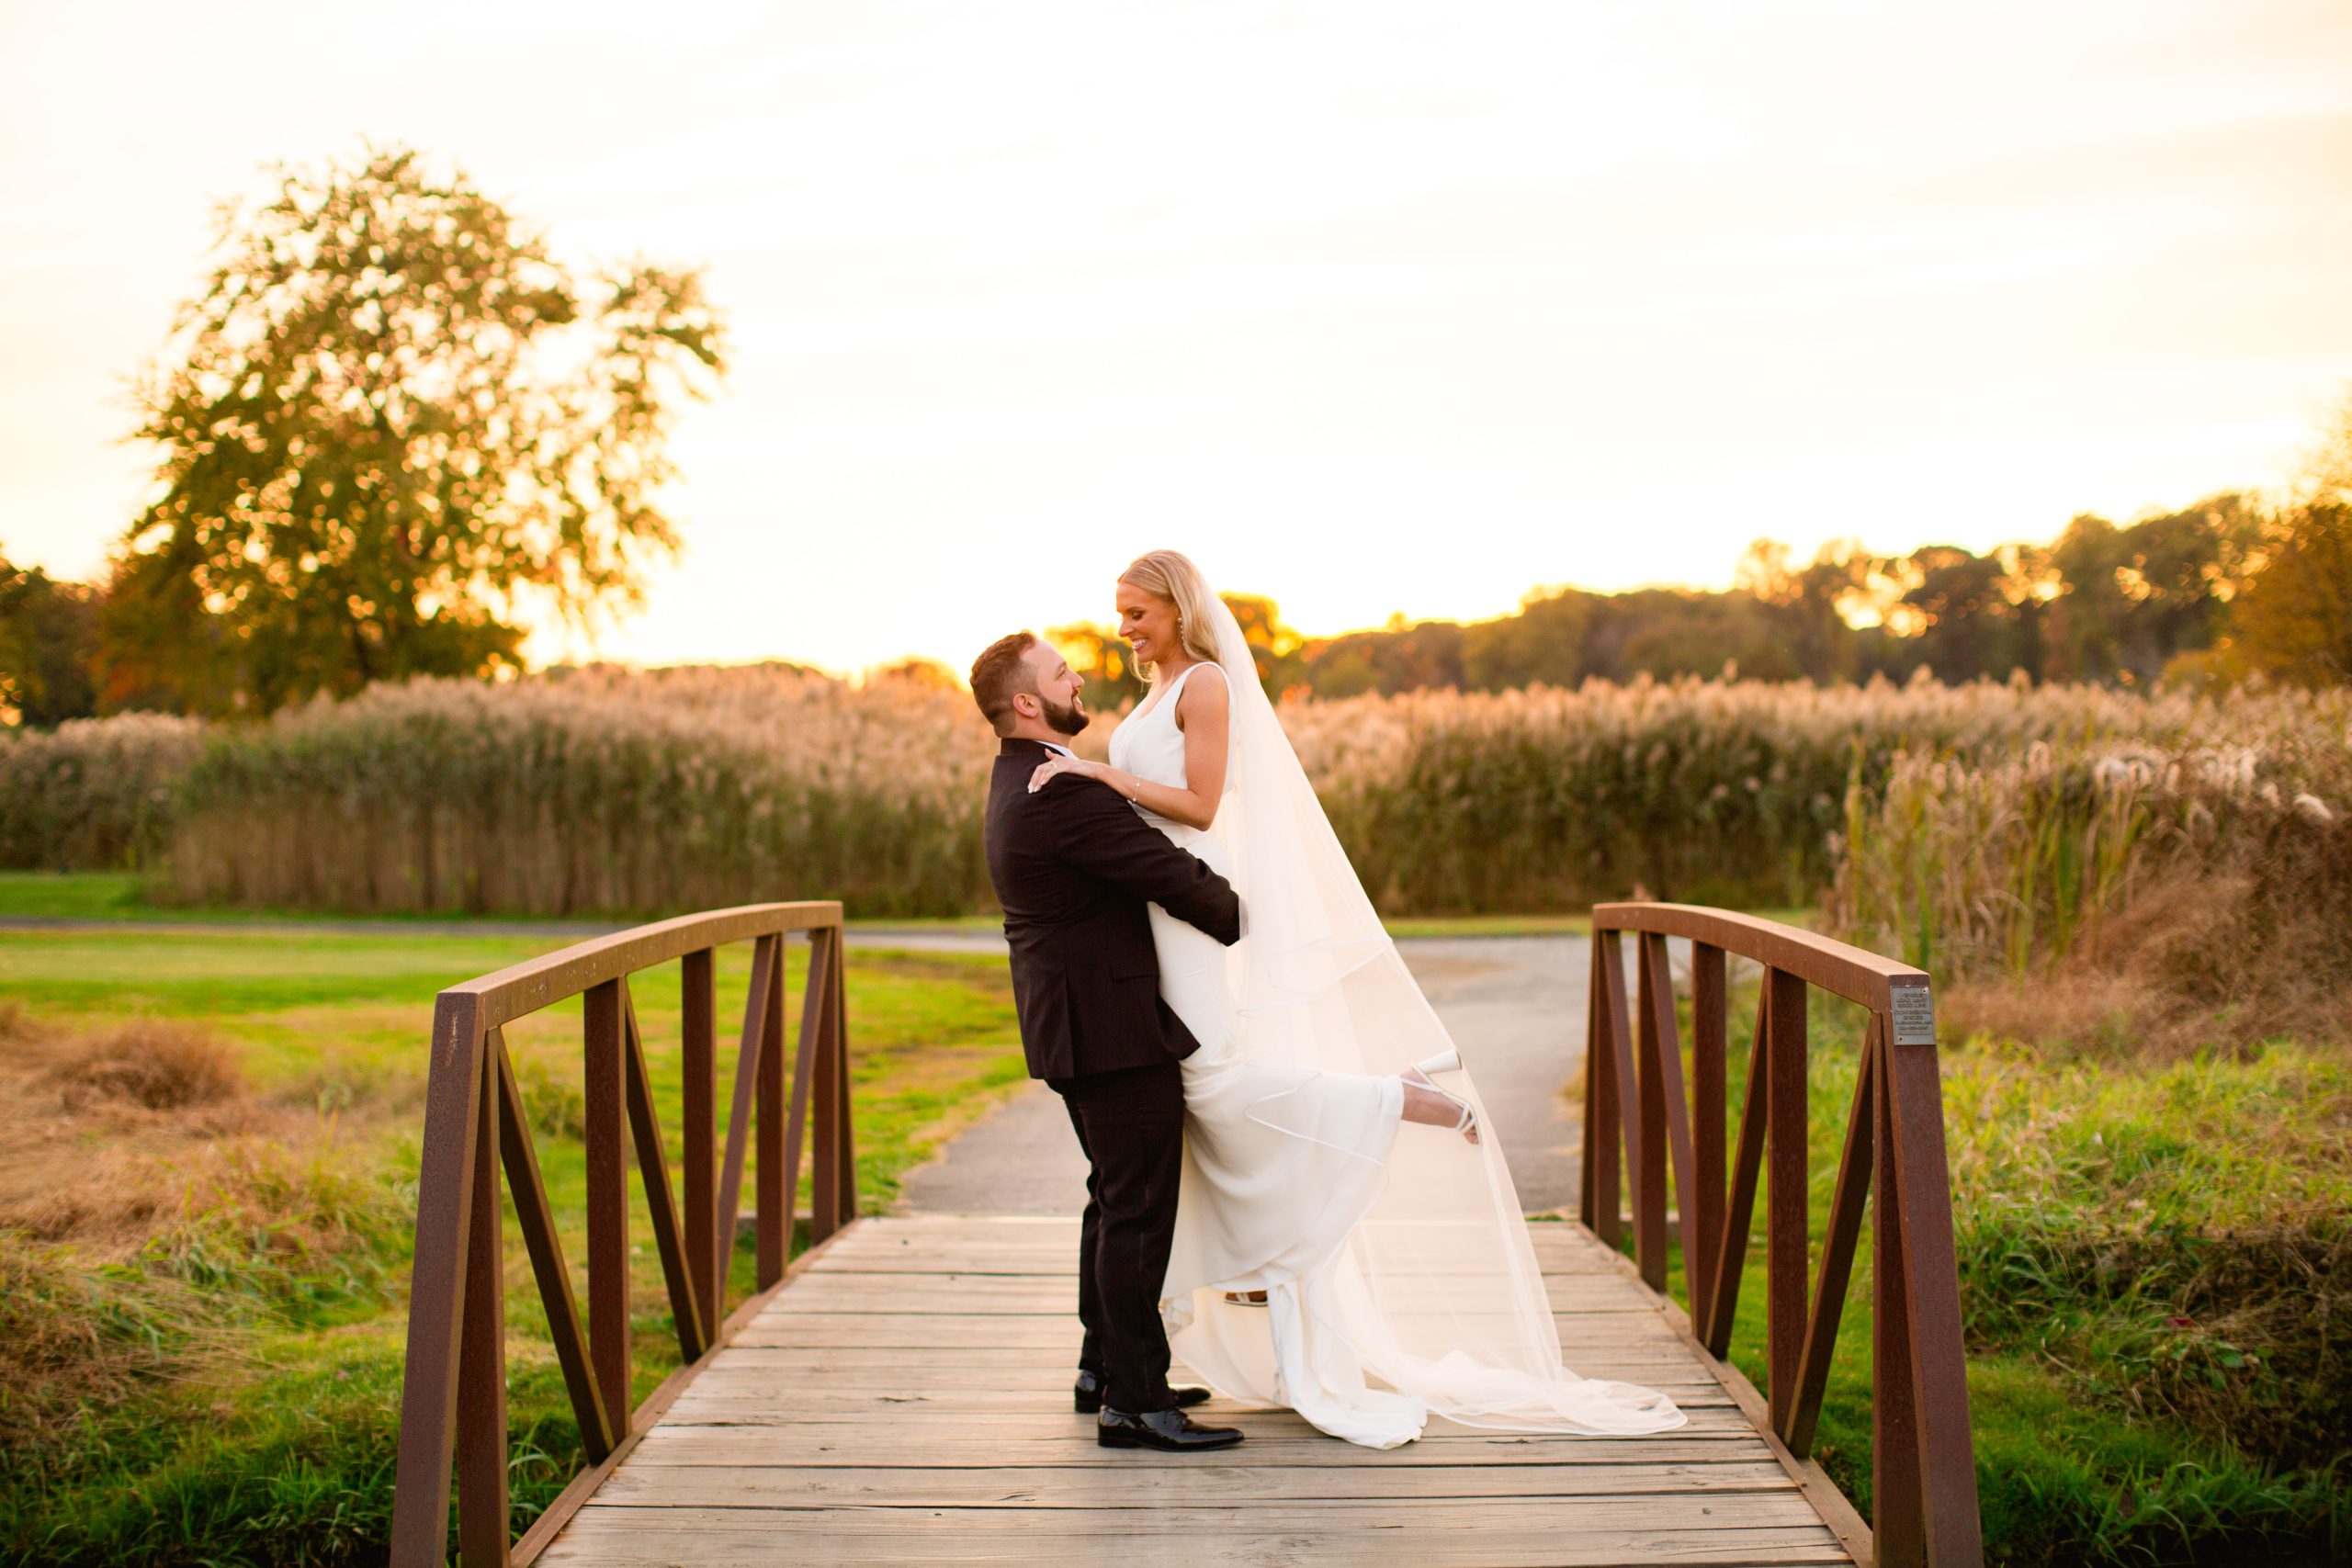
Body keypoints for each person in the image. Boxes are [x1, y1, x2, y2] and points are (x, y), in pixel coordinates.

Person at [1023, 550, 1686, 1449]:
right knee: (1199, 1098)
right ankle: (1221, 1289)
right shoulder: (1153, 689)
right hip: (1155, 914)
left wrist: (1102, 779)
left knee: (1209, 1087)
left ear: (1177, 609)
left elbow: (1204, 804)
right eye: (1119, 613)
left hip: (1186, 911)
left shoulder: (1206, 684)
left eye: (1136, 612)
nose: (1122, 628)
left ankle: (1392, 1101)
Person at [970, 628, 1247, 1453]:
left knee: (1111, 1196)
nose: (1078, 675)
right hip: (1111, 1029)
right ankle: (1136, 1400)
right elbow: (1159, 867)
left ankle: (1107, 1367)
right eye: (1061, 673)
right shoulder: (1059, 789)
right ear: (1027, 702)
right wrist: (1248, 913)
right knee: (1136, 1208)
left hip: (1074, 1024)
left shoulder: (1019, 778)